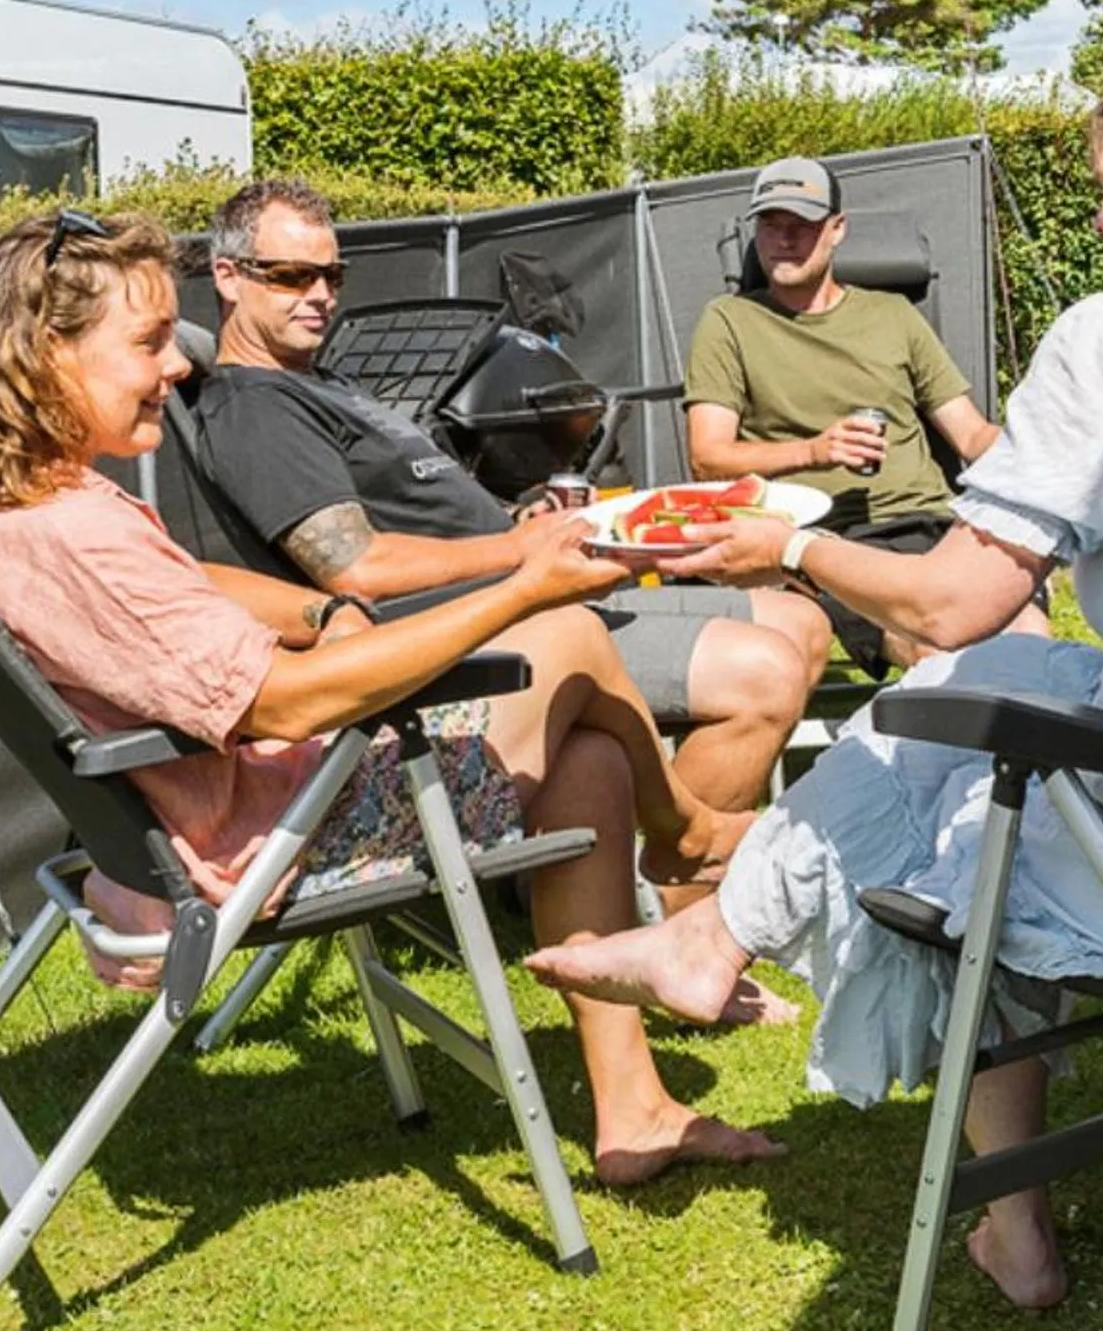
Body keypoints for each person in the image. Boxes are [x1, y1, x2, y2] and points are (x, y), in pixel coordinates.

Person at [528, 48, 1103, 1303]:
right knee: (989, 691)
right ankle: (717, 934)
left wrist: (788, 543)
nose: (1097, 217)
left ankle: (729, 943)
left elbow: (962, 588)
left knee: (970, 814)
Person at [0, 207, 783, 1187]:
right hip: (277, 836)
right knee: (568, 638)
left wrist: (323, 613)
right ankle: (688, 834)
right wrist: (523, 588)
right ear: (42, 354)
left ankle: (635, 1109)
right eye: (147, 341)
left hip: (231, 811)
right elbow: (288, 706)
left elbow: (194, 578)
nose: (176, 365)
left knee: (592, 758)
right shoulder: (72, 534)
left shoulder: (26, 504)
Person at [185, 178, 829, 845]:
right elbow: (358, 569)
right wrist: (521, 551)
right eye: (291, 276)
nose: (319, 295)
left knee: (803, 623)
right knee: (765, 672)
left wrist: (520, 522)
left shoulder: (318, 383)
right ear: (228, 277)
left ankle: (615, 870)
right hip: (474, 632)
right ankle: (679, 887)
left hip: (526, 591)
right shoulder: (255, 408)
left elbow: (423, 510)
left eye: (331, 275)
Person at [683, 156, 1043, 669]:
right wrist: (814, 451)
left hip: (935, 523)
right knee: (935, 648)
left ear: (837, 229)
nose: (784, 239)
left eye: (802, 226)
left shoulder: (893, 315)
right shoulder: (731, 321)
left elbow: (970, 434)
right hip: (827, 538)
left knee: (1028, 636)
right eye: (770, 224)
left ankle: (1034, 750)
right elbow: (708, 458)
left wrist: (1045, 452)